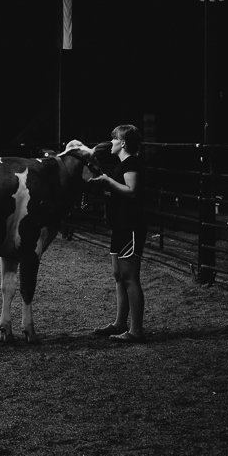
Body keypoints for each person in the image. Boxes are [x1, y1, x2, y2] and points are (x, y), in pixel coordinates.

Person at [87, 124, 147, 342]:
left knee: (130, 277)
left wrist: (108, 181)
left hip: (130, 226)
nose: (110, 142)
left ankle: (136, 331)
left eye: (114, 139)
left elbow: (132, 192)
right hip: (120, 225)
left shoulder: (132, 162)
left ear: (123, 143)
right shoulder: (122, 165)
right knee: (118, 276)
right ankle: (120, 323)